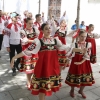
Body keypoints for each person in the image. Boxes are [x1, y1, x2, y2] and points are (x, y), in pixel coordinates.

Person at [10, 23, 85, 100]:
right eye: (46, 28)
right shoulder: (39, 41)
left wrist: (80, 50)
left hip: (52, 66)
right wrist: (14, 57)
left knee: (46, 87)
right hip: (42, 67)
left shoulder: (55, 40)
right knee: (42, 88)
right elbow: (27, 51)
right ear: (42, 31)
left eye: (49, 28)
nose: (48, 30)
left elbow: (66, 47)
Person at [65, 30, 95, 98]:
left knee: (85, 78)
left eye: (85, 36)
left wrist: (81, 62)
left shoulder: (88, 44)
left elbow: (87, 55)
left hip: (84, 62)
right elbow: (70, 54)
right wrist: (66, 62)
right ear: (78, 36)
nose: (83, 38)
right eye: (82, 36)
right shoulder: (74, 44)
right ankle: (72, 90)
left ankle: (81, 91)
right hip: (75, 63)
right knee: (73, 77)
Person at [20, 17, 39, 90]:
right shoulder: (23, 31)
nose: (31, 24)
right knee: (29, 69)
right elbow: (24, 41)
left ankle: (33, 81)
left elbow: (40, 37)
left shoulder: (35, 30)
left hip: (35, 51)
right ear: (26, 23)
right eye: (29, 23)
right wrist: (34, 41)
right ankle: (28, 82)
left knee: (35, 67)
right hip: (27, 51)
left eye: (32, 23)